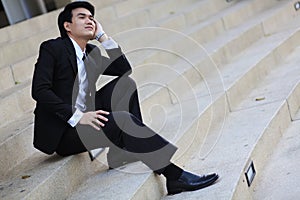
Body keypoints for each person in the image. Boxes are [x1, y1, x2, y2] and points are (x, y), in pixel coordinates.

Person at [31, 1, 218, 195]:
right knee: (121, 120)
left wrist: (103, 38)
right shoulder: (53, 49)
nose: (90, 20)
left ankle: (122, 153)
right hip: (65, 131)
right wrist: (78, 116)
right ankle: (174, 176)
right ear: (67, 26)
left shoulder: (91, 52)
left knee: (126, 85)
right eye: (82, 17)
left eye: (91, 18)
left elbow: (123, 69)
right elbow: (40, 91)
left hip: (88, 118)